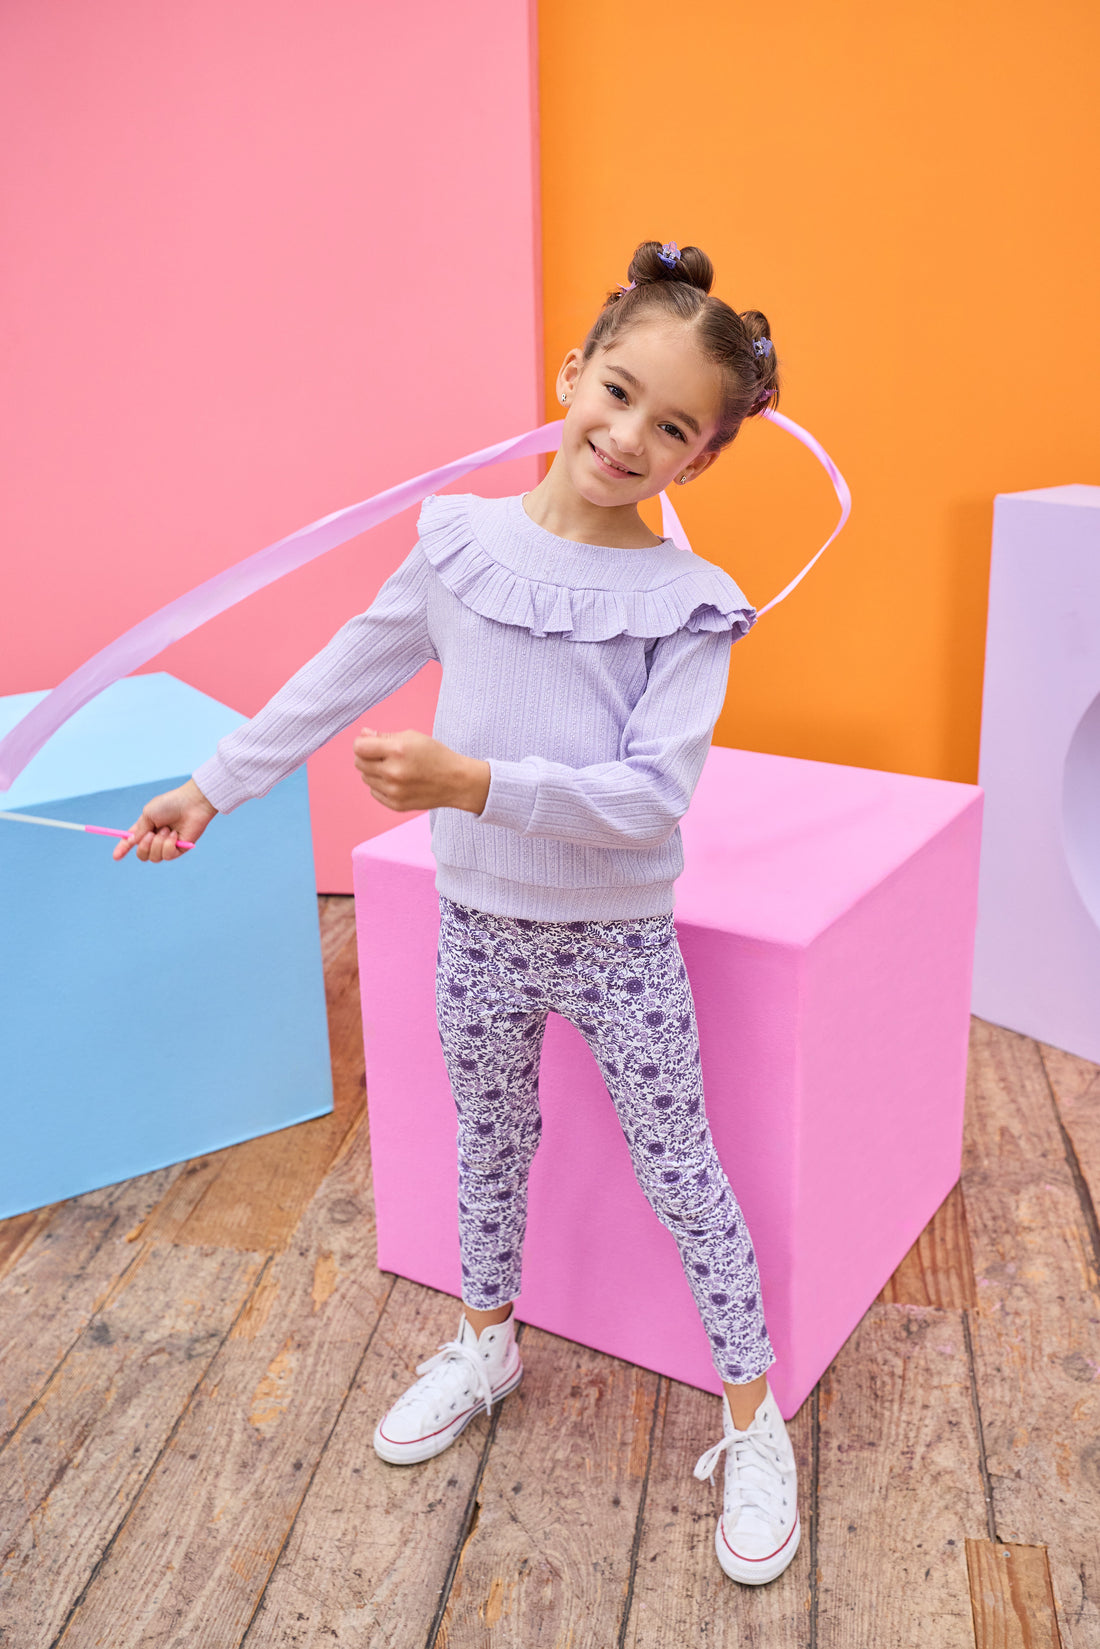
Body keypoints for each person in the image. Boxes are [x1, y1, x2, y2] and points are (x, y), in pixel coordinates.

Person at [113, 239, 801, 1587]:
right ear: (571, 372)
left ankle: (753, 1415)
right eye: (617, 392)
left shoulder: (687, 604)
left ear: (702, 458)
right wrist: (212, 786)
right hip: (480, 927)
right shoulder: (460, 545)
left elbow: (648, 802)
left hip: (616, 942)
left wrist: (470, 780)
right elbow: (335, 674)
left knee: (682, 1170)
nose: (630, 436)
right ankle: (488, 1340)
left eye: (674, 428)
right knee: (487, 1143)